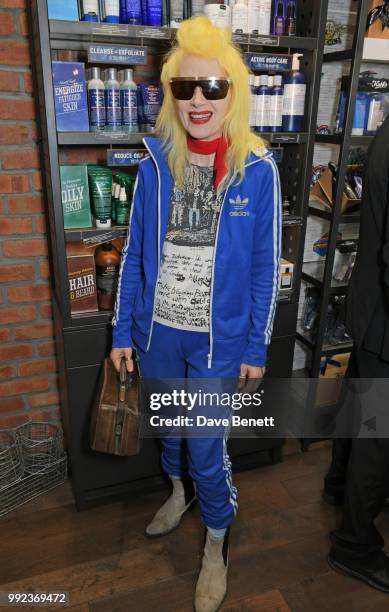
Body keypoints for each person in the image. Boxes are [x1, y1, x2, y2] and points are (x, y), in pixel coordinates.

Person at [110, 17, 281, 612]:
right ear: (169, 94)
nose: (198, 100)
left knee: (208, 448)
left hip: (217, 344)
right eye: (185, 88)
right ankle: (177, 493)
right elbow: (134, 253)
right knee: (171, 434)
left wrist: (255, 349)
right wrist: (121, 331)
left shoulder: (258, 169)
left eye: (212, 87)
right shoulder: (156, 162)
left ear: (233, 91)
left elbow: (264, 268)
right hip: (158, 336)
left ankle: (217, 538)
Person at [325, 115, 389, 592]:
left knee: (362, 409)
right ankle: (354, 544)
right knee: (380, 436)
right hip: (384, 315)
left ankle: (337, 486)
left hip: (371, 305)